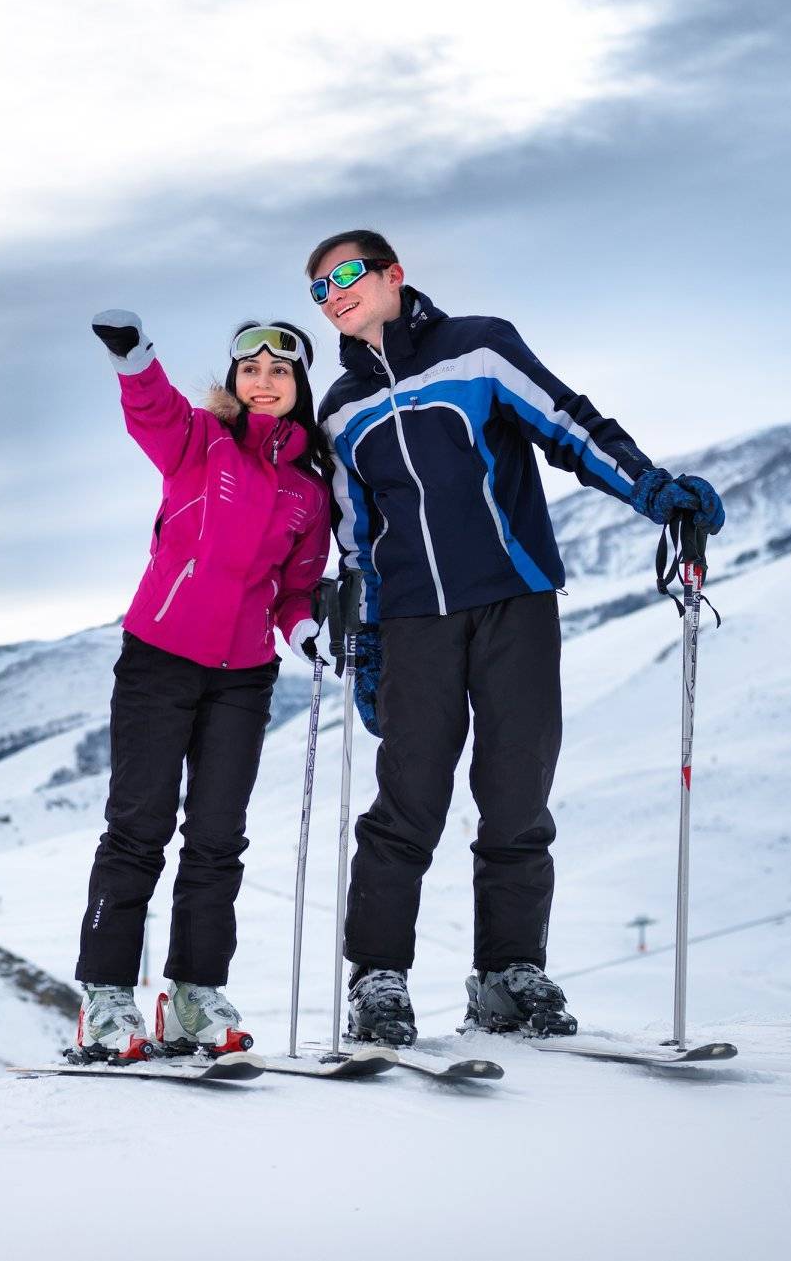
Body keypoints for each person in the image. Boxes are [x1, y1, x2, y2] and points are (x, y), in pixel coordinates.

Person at [302, 230, 725, 1045]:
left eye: (347, 275)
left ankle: (507, 974)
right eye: (318, 289)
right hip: (418, 622)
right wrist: (369, 639)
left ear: (394, 274)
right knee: (407, 803)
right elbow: (357, 535)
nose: (334, 294)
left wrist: (652, 489)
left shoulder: (480, 348)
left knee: (516, 793)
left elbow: (569, 427)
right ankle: (377, 978)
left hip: (514, 601)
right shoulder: (340, 409)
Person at [72, 311, 334, 1062]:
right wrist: (135, 358)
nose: (263, 381)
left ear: (298, 386)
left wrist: (303, 628)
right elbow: (151, 410)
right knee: (137, 828)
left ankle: (191, 996)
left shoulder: (308, 493)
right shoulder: (200, 441)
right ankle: (107, 998)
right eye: (250, 369)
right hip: (159, 656)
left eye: (279, 371)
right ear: (234, 379)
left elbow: (297, 586)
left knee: (218, 839)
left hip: (245, 678)